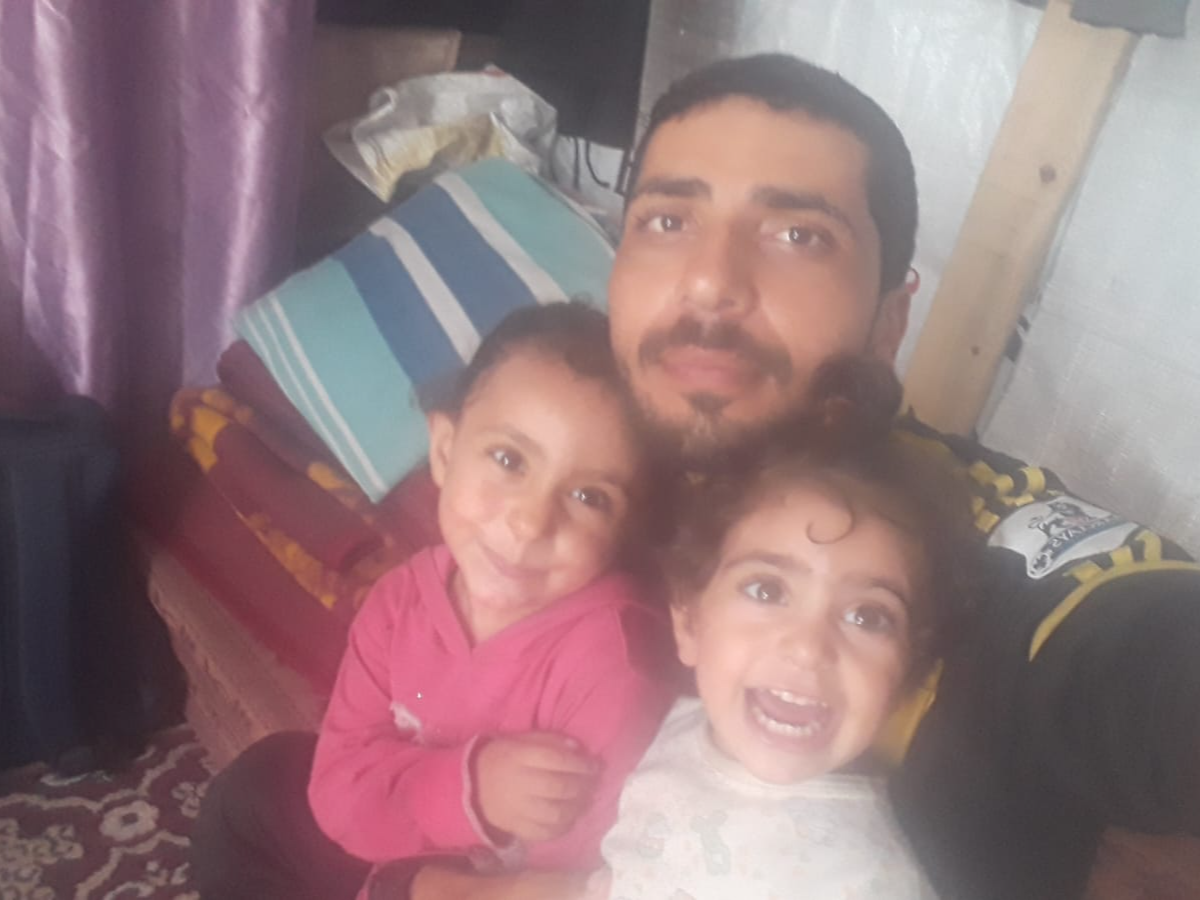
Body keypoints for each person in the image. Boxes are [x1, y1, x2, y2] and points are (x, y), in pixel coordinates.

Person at [403, 55, 1200, 900]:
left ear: (890, 319)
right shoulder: (571, 462)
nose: (710, 282)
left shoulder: (973, 553)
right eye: (668, 221)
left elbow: (1149, 667)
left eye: (799, 236)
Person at [192, 302, 676, 900]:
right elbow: (339, 789)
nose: (530, 522)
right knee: (255, 788)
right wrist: (473, 789)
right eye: (509, 460)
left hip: (490, 889)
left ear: (624, 529)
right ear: (445, 450)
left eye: (589, 497)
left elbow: (579, 887)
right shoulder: (398, 601)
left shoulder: (614, 669)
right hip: (405, 850)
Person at [594, 357, 969, 900]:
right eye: (767, 590)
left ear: (906, 677)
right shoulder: (670, 727)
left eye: (867, 616)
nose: (808, 647)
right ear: (689, 619)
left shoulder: (868, 882)